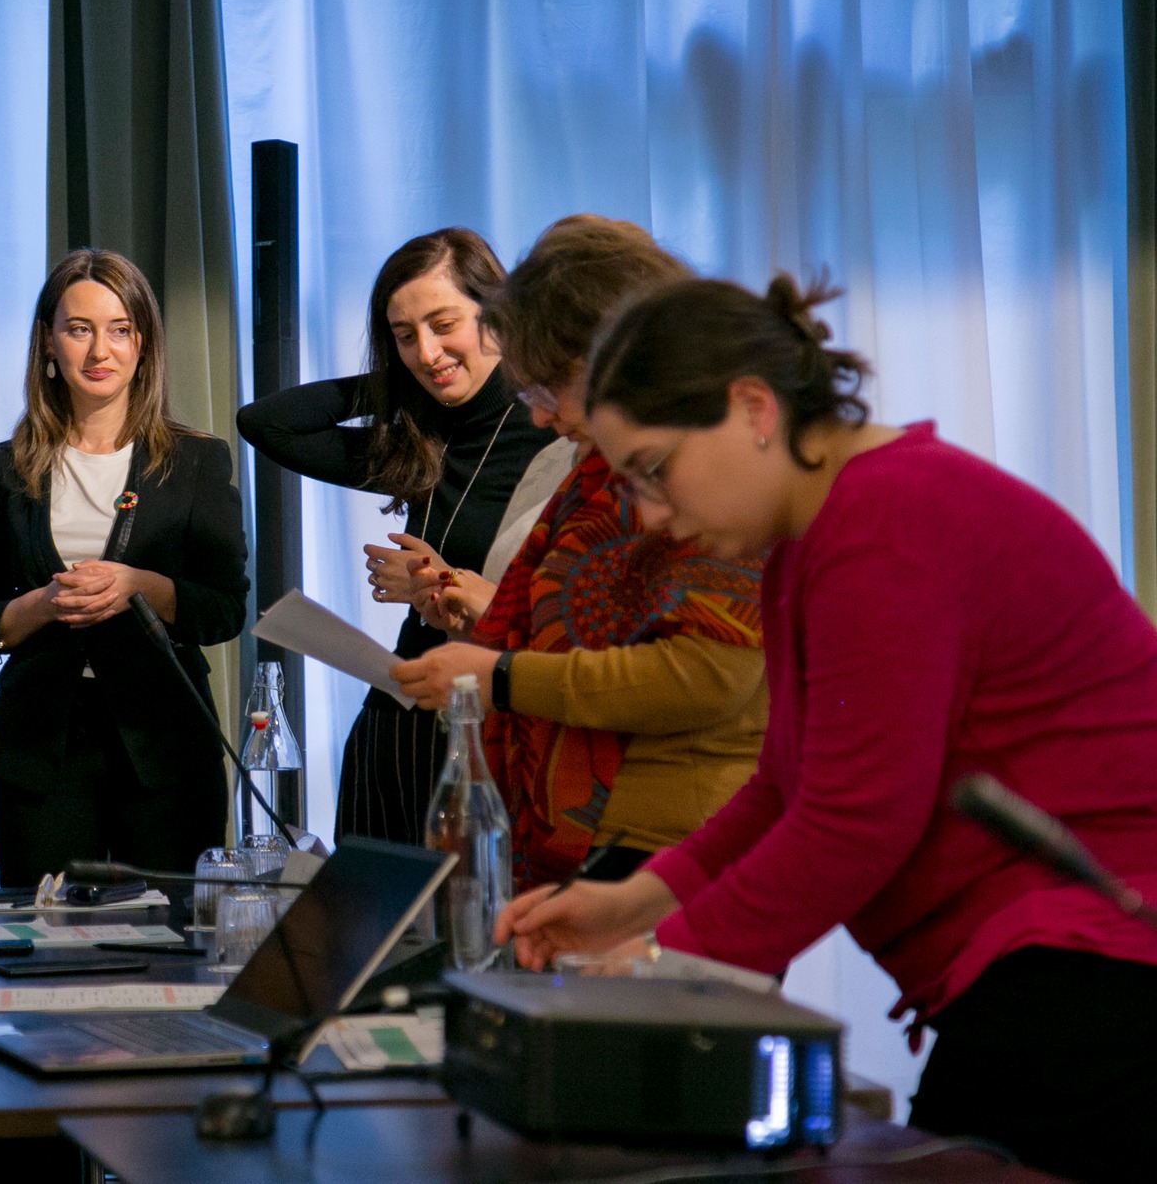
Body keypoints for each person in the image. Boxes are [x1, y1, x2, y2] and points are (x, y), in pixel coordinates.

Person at [498, 274, 1157, 1181]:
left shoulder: (886, 520)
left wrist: (662, 963)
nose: (649, 514)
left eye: (653, 469)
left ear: (753, 407)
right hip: (1059, 960)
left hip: (1100, 960)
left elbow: (855, 821)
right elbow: (783, 789)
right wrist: (636, 902)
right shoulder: (815, 540)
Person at [392, 216, 767, 887]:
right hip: (597, 835)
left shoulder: (707, 468)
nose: (538, 414)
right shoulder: (592, 473)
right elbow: (581, 632)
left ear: (612, 359)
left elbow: (707, 677)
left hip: (672, 840)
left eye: (547, 388)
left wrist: (501, 675)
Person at [237, 228, 561, 845]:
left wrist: (441, 583)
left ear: (497, 315)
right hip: (396, 722)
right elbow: (266, 424)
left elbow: (555, 612)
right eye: (404, 335)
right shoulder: (420, 436)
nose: (428, 351)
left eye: (443, 325)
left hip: (489, 726)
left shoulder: (552, 429)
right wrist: (395, 379)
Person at [0, 248, 249, 886]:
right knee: (45, 935)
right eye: (79, 329)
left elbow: (226, 610)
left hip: (165, 751)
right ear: (47, 342)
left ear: (143, 344)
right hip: (40, 753)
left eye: (120, 330)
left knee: (173, 937)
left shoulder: (197, 462)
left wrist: (138, 586)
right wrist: (45, 604)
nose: (100, 350)